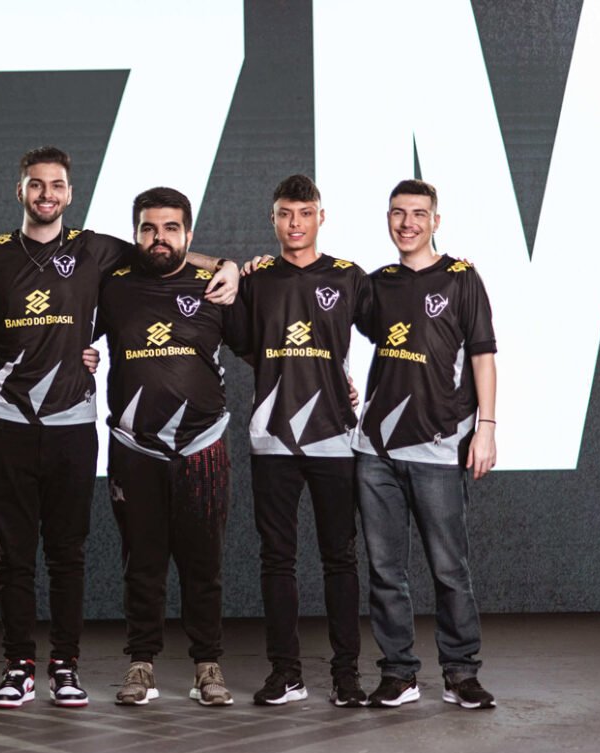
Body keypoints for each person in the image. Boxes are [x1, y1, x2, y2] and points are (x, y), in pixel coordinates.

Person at [0, 146, 239, 709]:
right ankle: (18, 666)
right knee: (13, 555)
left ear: (69, 193)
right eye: (36, 184)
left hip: (71, 424)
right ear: (20, 191)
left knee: (68, 553)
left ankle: (65, 666)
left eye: (56, 185)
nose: (46, 194)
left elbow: (163, 254)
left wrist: (224, 265)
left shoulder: (95, 249)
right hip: (5, 421)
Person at [353, 179, 497, 710]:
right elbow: (320, 326)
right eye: (398, 212)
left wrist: (487, 426)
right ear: (388, 219)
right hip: (376, 452)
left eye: (418, 213)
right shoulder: (376, 284)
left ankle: (460, 673)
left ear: (436, 220)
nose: (407, 222)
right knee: (385, 571)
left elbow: (483, 356)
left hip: (439, 448)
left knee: (449, 569)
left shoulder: (462, 278)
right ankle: (399, 674)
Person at [97, 186, 242, 707]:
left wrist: (339, 380)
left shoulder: (215, 286)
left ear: (188, 234)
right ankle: (141, 663)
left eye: (170, 228)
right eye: (149, 228)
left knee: (204, 564)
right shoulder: (111, 285)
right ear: (136, 232)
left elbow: (268, 349)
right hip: (134, 447)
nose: (159, 238)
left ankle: (207, 665)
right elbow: (62, 331)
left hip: (202, 446)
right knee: (142, 562)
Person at [234, 175, 369, 708]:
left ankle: (346, 675)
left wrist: (342, 381)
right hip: (273, 438)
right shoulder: (256, 280)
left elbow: (399, 333)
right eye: (285, 214)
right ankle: (286, 673)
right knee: (277, 559)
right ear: (273, 218)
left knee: (340, 558)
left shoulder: (348, 277)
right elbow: (247, 346)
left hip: (334, 437)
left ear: (320, 217)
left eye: (305, 213)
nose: (295, 223)